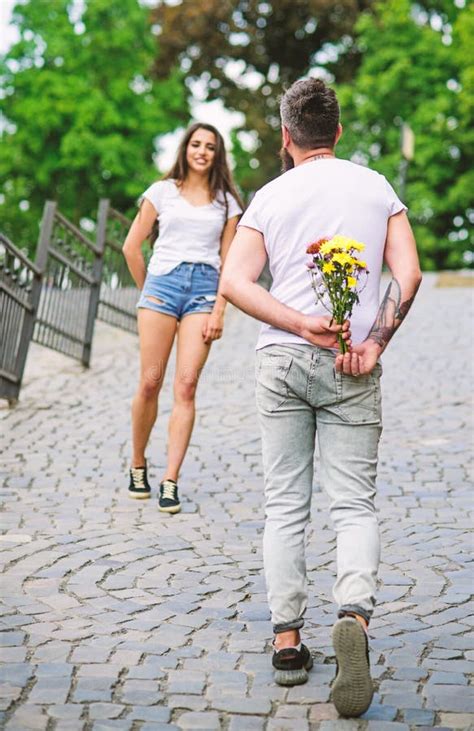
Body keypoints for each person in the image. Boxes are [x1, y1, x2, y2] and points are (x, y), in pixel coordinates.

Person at [220, 79, 422, 717]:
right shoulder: (375, 187)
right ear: (337, 131)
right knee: (354, 503)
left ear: (287, 137)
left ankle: (286, 640)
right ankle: (355, 621)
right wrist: (375, 344)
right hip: (350, 362)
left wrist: (294, 321)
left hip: (280, 361)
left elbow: (234, 280)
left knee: (284, 503)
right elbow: (408, 273)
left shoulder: (270, 196)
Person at [123, 123, 243, 513]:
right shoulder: (161, 192)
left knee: (187, 387)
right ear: (185, 148)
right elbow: (131, 248)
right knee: (150, 382)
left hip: (204, 292)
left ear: (217, 154)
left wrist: (220, 309)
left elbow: (230, 262)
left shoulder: (226, 202)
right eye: (196, 144)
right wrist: (148, 293)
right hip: (162, 286)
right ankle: (138, 462)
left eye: (210, 146)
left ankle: (170, 480)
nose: (202, 151)